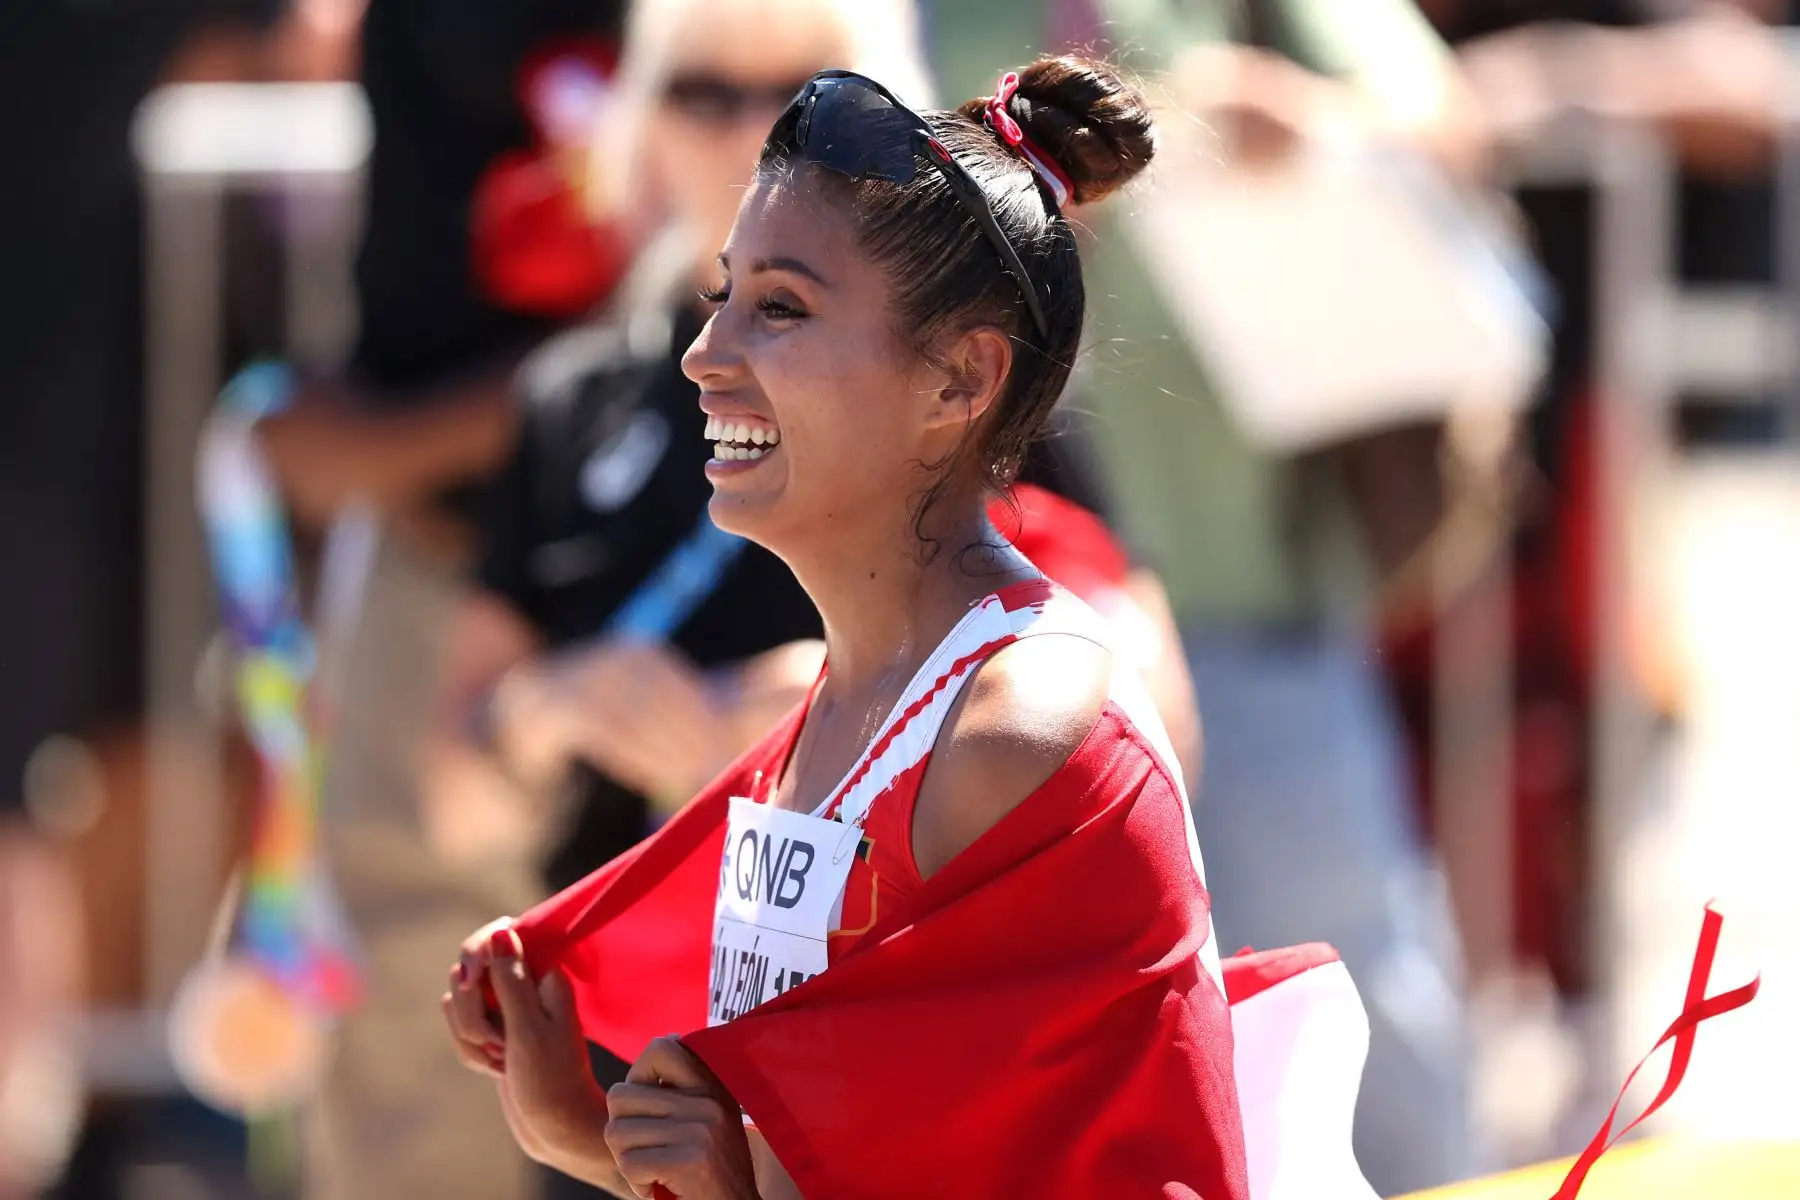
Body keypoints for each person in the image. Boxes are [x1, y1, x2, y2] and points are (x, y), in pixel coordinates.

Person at [442, 54, 1274, 1198]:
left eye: (778, 307)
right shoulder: (850, 718)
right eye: (719, 296)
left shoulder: (1016, 736)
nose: (705, 354)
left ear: (959, 380)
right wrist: (589, 1133)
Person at [923, 1, 1485, 1193]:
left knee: (1358, 1030)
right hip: (974, 651)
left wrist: (1303, 123)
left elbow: (1443, 122)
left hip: (1248, 610)